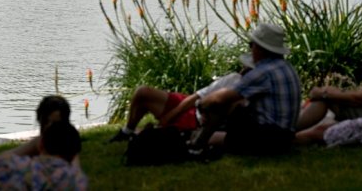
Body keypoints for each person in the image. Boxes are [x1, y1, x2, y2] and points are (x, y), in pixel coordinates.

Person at [188, 23, 302, 156]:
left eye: (251, 45)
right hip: (285, 138)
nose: (250, 49)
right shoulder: (286, 67)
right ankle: (199, 143)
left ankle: (197, 145)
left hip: (268, 140)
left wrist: (201, 105)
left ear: (259, 48)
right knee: (237, 104)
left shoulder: (262, 73)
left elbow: (219, 99)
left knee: (223, 104)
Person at [108, 53, 255, 143]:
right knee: (142, 92)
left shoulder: (252, 92)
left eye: (247, 67)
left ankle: (135, 133)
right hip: (191, 107)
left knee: (150, 133)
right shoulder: (234, 79)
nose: (243, 68)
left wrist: (167, 120)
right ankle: (127, 131)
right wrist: (172, 114)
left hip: (196, 120)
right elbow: (196, 97)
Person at [0, 121, 87, 189]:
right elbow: (76, 168)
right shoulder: (76, 181)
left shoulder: (7, 164)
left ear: (40, 145)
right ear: (73, 155)